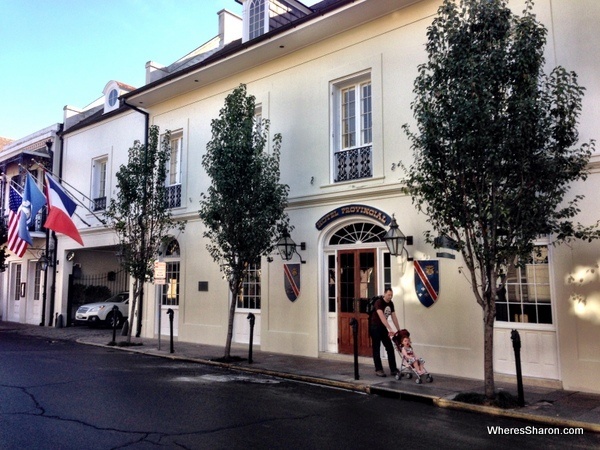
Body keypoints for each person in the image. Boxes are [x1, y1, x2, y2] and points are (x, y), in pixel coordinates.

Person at [369, 287, 400, 377]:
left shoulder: (391, 303)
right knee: (376, 348)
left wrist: (398, 329)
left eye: (391, 295)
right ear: (384, 293)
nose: (390, 297)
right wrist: (390, 329)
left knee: (389, 347)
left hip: (382, 327)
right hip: (374, 327)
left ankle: (393, 369)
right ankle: (378, 369)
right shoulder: (379, 302)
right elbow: (382, 317)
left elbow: (394, 317)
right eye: (388, 295)